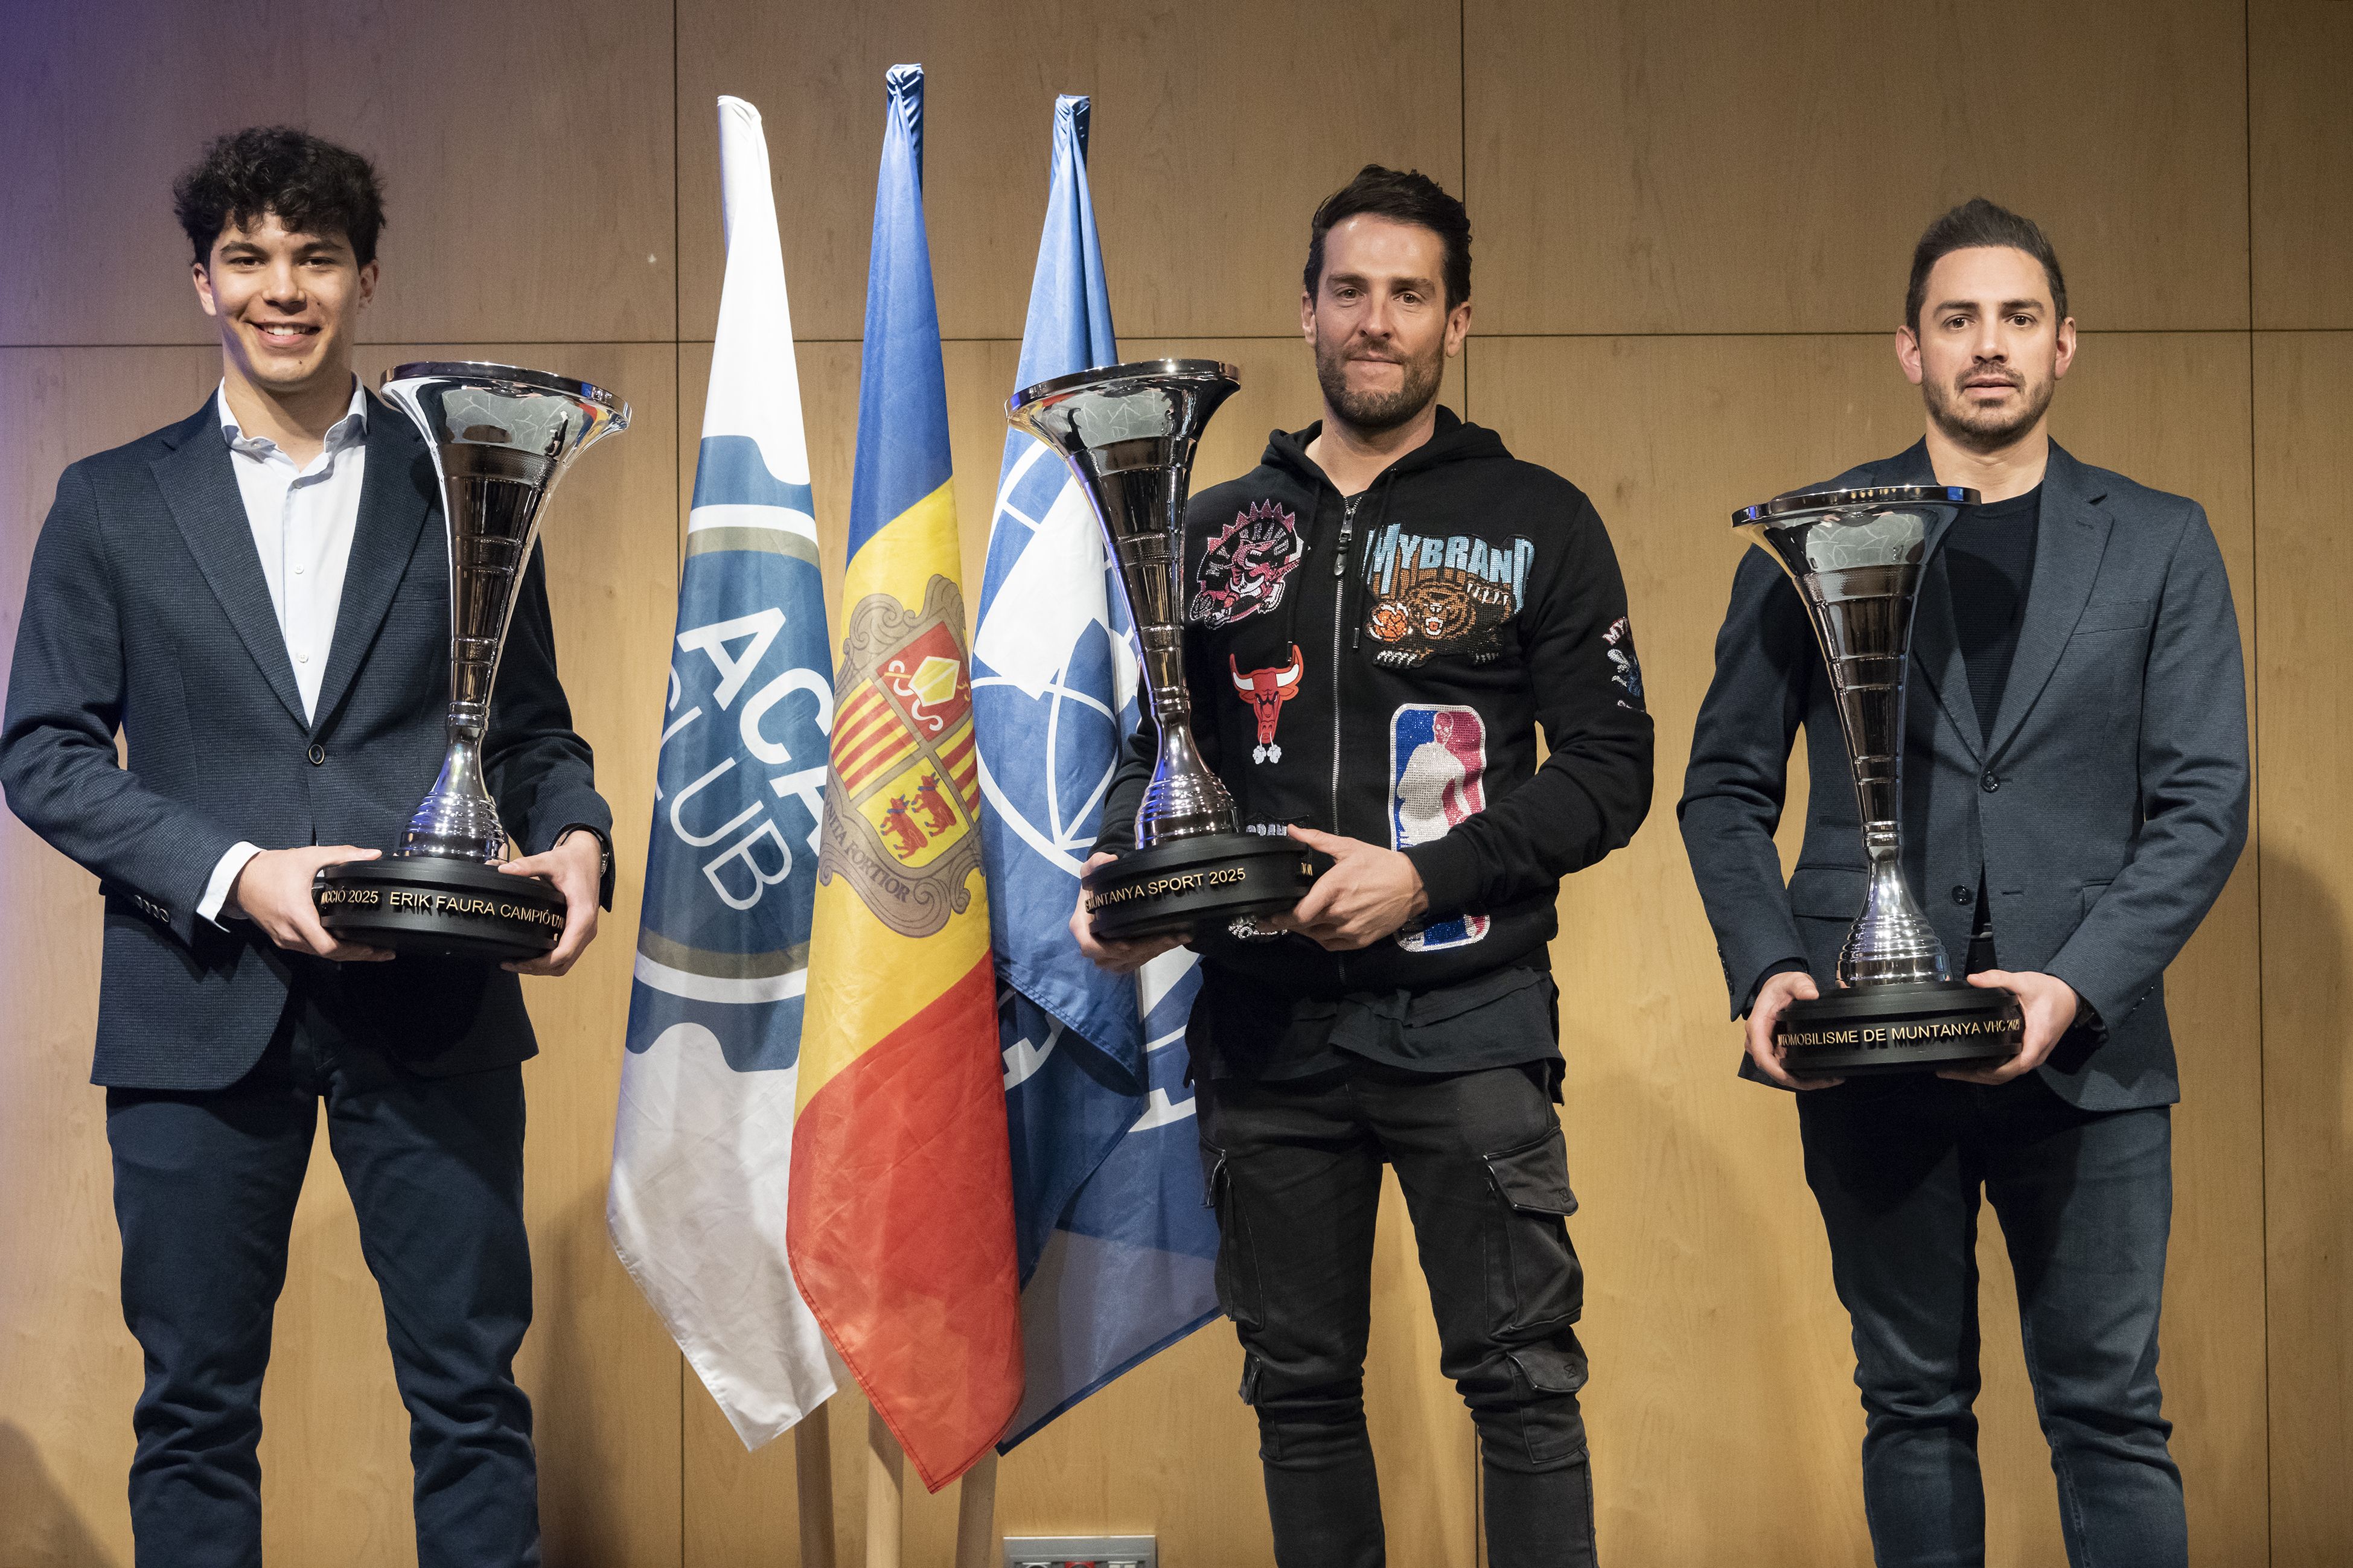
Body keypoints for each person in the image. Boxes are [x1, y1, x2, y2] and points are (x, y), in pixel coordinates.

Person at [0, 126, 614, 1568]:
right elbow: (42, 753)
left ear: (365, 276)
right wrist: (240, 874)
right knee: (195, 1413)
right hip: (192, 1006)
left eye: (315, 258)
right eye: (249, 259)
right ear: (201, 284)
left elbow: (531, 732)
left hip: (437, 1000)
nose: (284, 288)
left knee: (471, 1405)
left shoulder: (462, 480)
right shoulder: (110, 500)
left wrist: (576, 842)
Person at [1078, 165, 1653, 1568]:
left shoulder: (1541, 519)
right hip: (1266, 1035)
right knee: (1299, 1395)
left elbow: (1609, 771)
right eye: (1350, 292)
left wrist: (1428, 877)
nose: (1375, 322)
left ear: (1457, 322)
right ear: (1305, 311)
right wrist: (1126, 884)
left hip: (1469, 1023)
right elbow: (1160, 749)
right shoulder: (1207, 529)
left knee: (1519, 1385)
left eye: (1408, 295)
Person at [1679, 198, 2248, 1567]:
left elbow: (2201, 803)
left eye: (2012, 319)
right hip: (1864, 1050)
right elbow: (1720, 788)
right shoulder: (1806, 536)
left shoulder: (2160, 540)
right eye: (1955, 321)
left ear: (2062, 345)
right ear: (1907, 350)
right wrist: (1769, 971)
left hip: (2090, 1056)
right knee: (1911, 1408)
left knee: (2108, 1413)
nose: (1984, 348)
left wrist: (2072, 985)